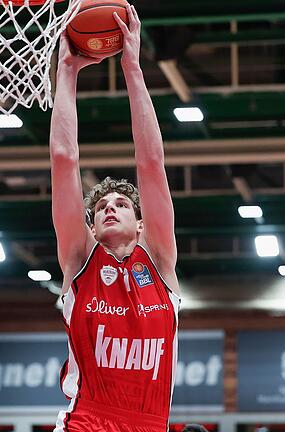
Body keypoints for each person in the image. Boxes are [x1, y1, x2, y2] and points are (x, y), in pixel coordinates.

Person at [49, 3, 181, 432]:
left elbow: (151, 164)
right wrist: (66, 72)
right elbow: (65, 160)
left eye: (122, 204)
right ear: (90, 227)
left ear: (141, 224)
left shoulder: (159, 261)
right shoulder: (79, 260)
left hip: (150, 423)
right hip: (86, 422)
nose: (110, 207)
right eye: (102, 206)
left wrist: (133, 69)